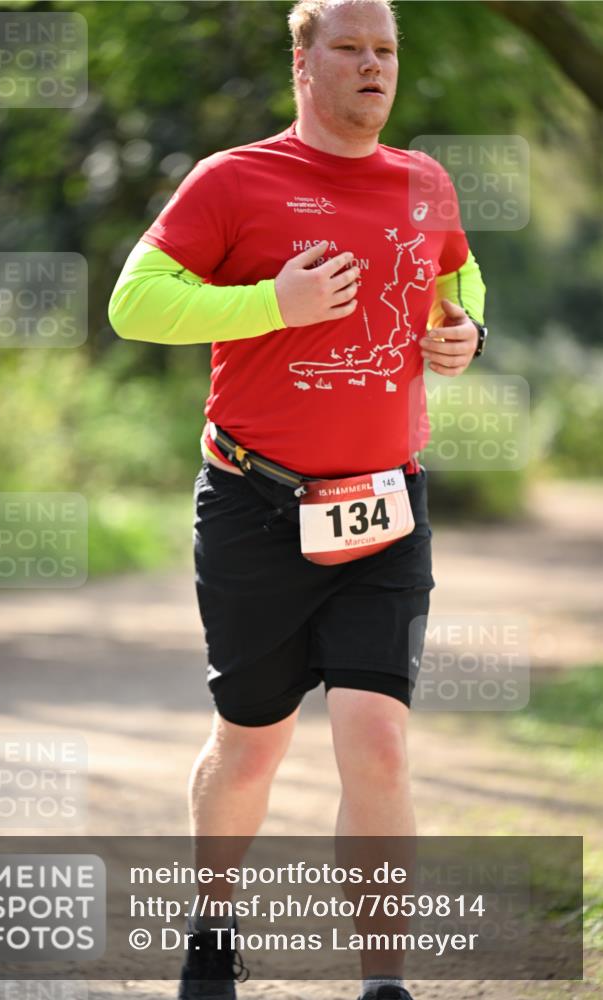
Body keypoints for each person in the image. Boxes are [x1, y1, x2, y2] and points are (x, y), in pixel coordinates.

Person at [108, 1, 487, 998]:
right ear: (303, 61)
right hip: (254, 506)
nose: (374, 67)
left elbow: (457, 273)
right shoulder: (234, 180)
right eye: (351, 49)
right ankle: (214, 927)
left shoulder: (423, 181)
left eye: (386, 51)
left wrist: (465, 333)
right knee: (249, 745)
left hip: (384, 505)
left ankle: (382, 980)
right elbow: (133, 300)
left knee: (378, 738)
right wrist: (271, 304)